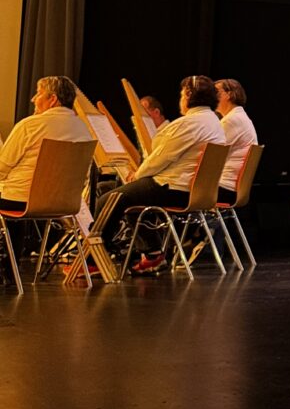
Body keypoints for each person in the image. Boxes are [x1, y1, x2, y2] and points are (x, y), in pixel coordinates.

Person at [97, 75, 226, 272]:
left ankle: (94, 260)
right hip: (190, 188)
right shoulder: (213, 121)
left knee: (110, 199)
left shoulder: (189, 123)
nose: (180, 99)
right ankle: (153, 254)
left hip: (174, 188)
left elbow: (160, 158)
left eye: (182, 95)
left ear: (189, 96)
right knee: (118, 191)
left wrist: (138, 174)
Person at [0, 76, 93, 211]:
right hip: (64, 204)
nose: (33, 99)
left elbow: (2, 168)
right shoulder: (84, 130)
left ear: (53, 99)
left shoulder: (30, 125)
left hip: (19, 201)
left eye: (39, 93)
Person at [214, 78, 258, 203]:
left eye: (216, 93)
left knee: (167, 189)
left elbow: (209, 156)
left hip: (224, 188)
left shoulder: (232, 121)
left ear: (229, 94)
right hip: (230, 187)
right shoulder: (239, 117)